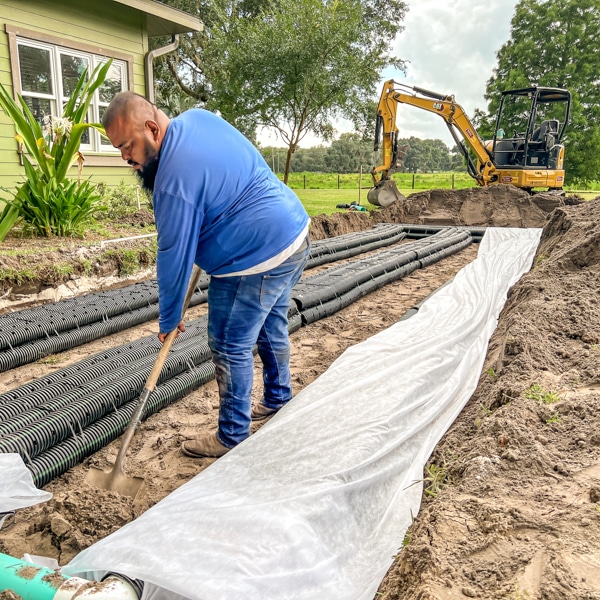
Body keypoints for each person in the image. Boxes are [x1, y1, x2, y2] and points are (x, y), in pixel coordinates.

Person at [102, 92, 310, 458]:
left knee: (230, 343)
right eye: (119, 149)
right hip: (293, 234)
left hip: (252, 260)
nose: (126, 159)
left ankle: (232, 434)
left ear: (152, 129)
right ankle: (278, 398)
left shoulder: (172, 180)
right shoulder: (198, 119)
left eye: (127, 146)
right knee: (269, 324)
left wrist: (169, 317)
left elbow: (173, 254)